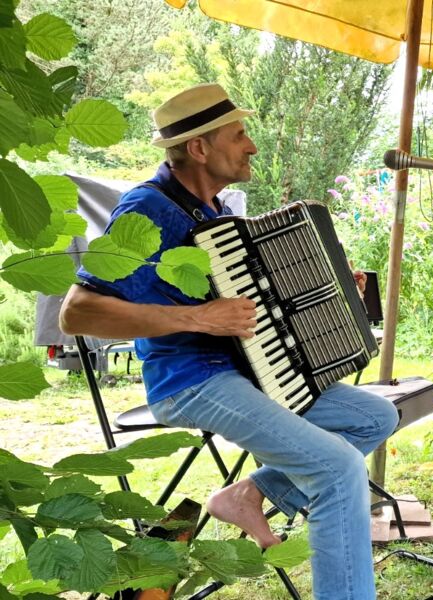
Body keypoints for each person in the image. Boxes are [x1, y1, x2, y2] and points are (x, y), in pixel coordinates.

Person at [59, 83, 399, 600]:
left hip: (246, 372)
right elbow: (76, 312)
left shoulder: (212, 212)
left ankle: (247, 494)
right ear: (199, 148)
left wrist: (328, 288)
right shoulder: (146, 210)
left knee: (375, 416)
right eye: (239, 135)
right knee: (337, 469)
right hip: (189, 381)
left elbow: (255, 308)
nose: (251, 146)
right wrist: (199, 318)